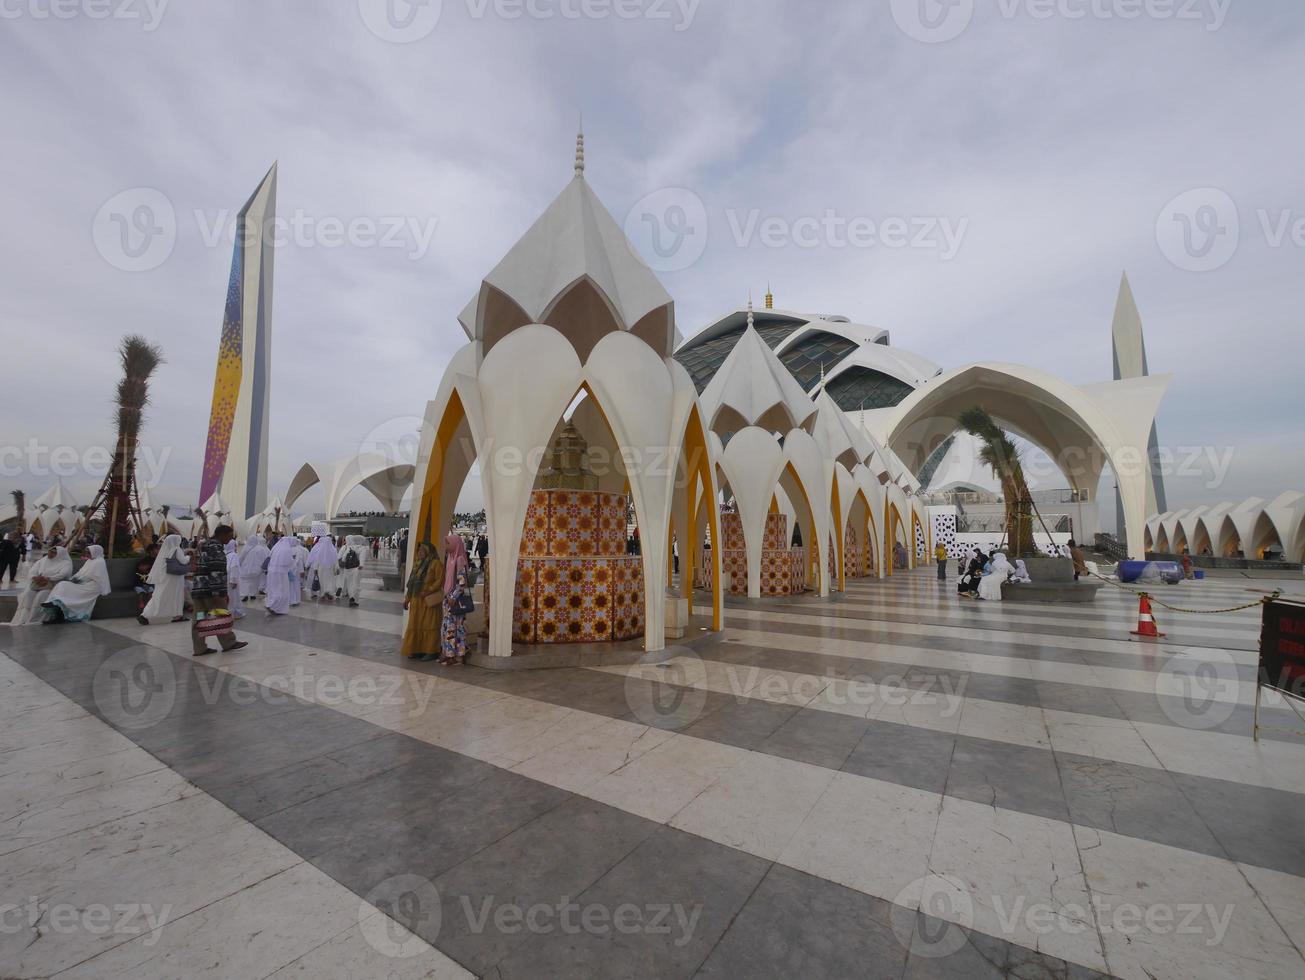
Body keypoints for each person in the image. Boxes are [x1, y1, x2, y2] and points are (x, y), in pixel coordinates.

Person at [189, 526, 248, 656]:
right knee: (220, 615)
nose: (230, 538)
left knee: (199, 617)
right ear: (222, 534)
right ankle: (229, 642)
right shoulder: (216, 548)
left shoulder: (204, 546)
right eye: (229, 535)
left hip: (200, 590)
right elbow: (216, 571)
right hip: (211, 592)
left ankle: (199, 648)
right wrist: (217, 593)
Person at [41, 544, 111, 623]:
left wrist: (78, 580)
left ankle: (59, 608)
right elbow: (80, 572)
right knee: (63, 584)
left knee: (70, 591)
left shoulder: (99, 562)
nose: (87, 554)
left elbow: (92, 576)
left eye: (89, 553)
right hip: (82, 583)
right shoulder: (90, 561)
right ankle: (54, 601)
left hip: (92, 586)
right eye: (87, 552)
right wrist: (73, 579)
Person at [401, 541, 444, 661]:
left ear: (428, 551)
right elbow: (411, 584)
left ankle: (431, 651)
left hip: (428, 601)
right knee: (415, 624)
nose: (419, 553)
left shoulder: (436, 564)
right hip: (416, 600)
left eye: (422, 550)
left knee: (429, 625)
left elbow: (439, 580)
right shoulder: (417, 565)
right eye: (418, 550)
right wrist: (407, 599)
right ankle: (416, 649)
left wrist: (429, 590)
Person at [8, 546, 73, 625]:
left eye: (53, 553)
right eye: (50, 551)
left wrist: (48, 578)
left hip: (53, 586)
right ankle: (24, 618)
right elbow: (33, 570)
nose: (50, 554)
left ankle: (35, 619)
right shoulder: (43, 560)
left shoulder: (66, 563)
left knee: (41, 596)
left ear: (59, 554)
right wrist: (35, 577)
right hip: (38, 584)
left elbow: (63, 574)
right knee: (28, 594)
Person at [139, 534, 189, 624]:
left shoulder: (164, 551)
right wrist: (188, 557)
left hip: (165, 578)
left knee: (159, 596)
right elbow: (183, 561)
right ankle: (177, 615)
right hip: (175, 578)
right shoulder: (177, 549)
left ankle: (145, 614)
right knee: (176, 596)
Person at [440, 532, 470, 666]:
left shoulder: (459, 559)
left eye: (448, 543)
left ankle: (457, 655)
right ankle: (448, 653)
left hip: (455, 600)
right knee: (448, 627)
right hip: (448, 599)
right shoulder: (451, 557)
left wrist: (453, 596)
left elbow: (462, 582)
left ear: (455, 544)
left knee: (455, 628)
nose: (446, 546)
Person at [264, 535, 297, 615]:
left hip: (271, 572)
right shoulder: (287, 549)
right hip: (281, 574)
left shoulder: (276, 547)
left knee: (273, 589)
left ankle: (272, 605)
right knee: (281, 591)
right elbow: (289, 563)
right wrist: (293, 560)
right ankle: (273, 606)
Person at [237, 533, 269, 602]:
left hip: (246, 568)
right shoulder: (260, 548)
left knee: (245, 582)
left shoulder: (245, 548)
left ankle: (244, 595)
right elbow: (265, 558)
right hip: (257, 569)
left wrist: (239, 564)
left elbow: (241, 558)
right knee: (255, 582)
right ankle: (252, 595)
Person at [337, 534, 367, 608]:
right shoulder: (362, 548)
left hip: (347, 569)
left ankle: (351, 597)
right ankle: (355, 599)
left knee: (350, 584)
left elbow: (343, 558)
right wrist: (361, 565)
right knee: (356, 584)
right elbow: (362, 557)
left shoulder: (348, 547)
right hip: (357, 568)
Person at [308, 534, 339, 602]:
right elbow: (335, 560)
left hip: (321, 569)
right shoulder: (333, 549)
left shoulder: (320, 549)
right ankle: (329, 592)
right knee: (330, 581)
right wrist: (337, 568)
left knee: (322, 581)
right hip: (330, 568)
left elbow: (317, 560)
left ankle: (322, 594)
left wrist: (315, 569)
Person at [224, 540, 245, 619]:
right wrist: (234, 581)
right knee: (233, 597)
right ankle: (233, 613)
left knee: (229, 596)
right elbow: (234, 568)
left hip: (226, 578)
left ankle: (228, 611)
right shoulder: (234, 555)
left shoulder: (225, 554)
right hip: (232, 579)